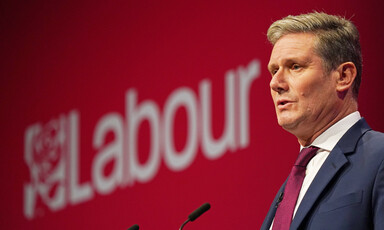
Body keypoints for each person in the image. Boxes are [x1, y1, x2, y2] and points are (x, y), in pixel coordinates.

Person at [260, 12, 384, 230]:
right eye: (274, 70)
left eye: (295, 66)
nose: (275, 83)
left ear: (343, 76)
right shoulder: (291, 186)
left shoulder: (379, 157)